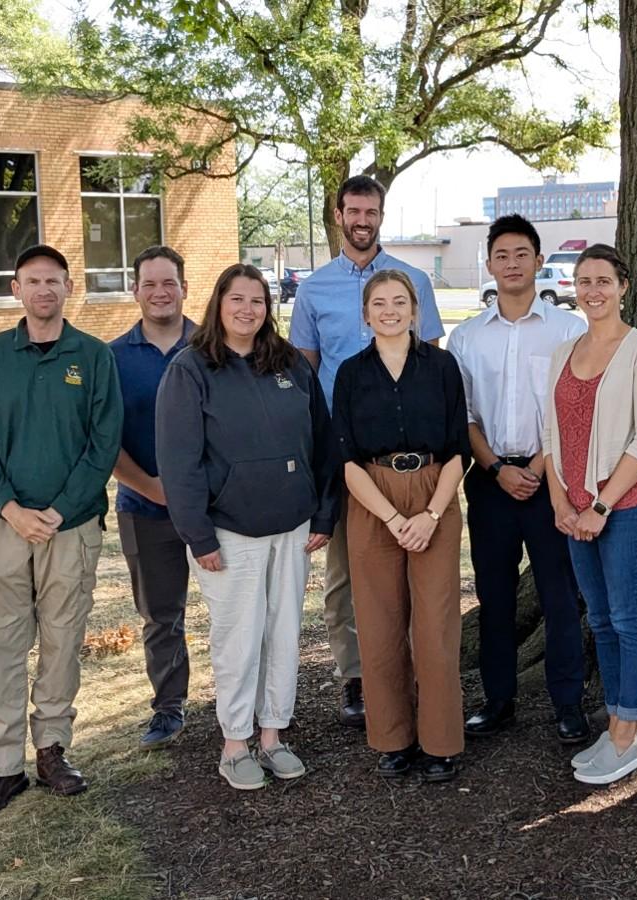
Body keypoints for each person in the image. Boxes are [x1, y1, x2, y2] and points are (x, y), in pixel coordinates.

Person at [0, 244, 124, 821]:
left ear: (68, 288)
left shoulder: (94, 357)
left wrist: (60, 509)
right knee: (0, 645)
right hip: (5, 528)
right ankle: (2, 768)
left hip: (71, 528)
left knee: (61, 642)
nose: (44, 291)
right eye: (33, 281)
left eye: (54, 281)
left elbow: (103, 445)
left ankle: (53, 750)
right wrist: (9, 508)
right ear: (16, 289)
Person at [155, 263, 337, 790]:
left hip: (293, 528)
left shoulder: (289, 366)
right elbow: (179, 460)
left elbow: (322, 443)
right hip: (229, 533)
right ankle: (236, 743)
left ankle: (273, 735)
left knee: (283, 634)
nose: (247, 309)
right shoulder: (191, 369)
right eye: (237, 299)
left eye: (257, 300)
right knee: (239, 638)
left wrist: (324, 513)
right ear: (219, 303)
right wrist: (198, 535)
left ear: (267, 307)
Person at [289, 174, 446, 728]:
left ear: (381, 215)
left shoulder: (414, 282)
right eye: (353, 211)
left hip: (408, 458)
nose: (362, 220)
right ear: (338, 215)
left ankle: (408, 676)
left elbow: (431, 372)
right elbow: (305, 374)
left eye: (371, 211)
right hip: (343, 458)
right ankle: (356, 678)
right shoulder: (313, 291)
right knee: (346, 576)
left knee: (412, 574)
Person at [446, 215, 590, 745]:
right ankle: (499, 699)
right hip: (490, 482)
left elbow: (572, 413)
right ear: (489, 263)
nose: (511, 263)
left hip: (551, 481)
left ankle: (568, 702)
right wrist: (498, 470)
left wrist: (535, 469)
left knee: (559, 594)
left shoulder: (568, 330)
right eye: (502, 255)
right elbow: (463, 418)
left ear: (538, 260)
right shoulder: (466, 339)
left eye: (521, 253)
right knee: (495, 596)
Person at [333, 269, 468, 783]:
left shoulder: (442, 367)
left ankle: (440, 742)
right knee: (379, 624)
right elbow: (345, 458)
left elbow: (458, 448)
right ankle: (393, 738)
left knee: (434, 627)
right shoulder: (350, 374)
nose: (389, 310)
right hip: (372, 498)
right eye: (379, 303)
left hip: (435, 493)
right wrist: (391, 518)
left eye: (400, 302)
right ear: (365, 314)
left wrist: (430, 515)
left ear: (415, 311)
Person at [541, 244, 637, 786]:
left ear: (623, 287)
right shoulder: (563, 352)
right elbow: (550, 434)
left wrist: (599, 505)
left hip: (629, 509)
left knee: (629, 618)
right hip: (573, 511)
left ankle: (628, 729)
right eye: (584, 280)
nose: (593, 290)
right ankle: (618, 719)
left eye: (603, 281)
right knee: (598, 619)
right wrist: (560, 501)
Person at [109, 246, 197, 751]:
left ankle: (245, 701)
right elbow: (106, 441)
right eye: (150, 284)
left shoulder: (212, 347)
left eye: (169, 283)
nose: (160, 293)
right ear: (135, 290)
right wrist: (152, 487)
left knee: (236, 609)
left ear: (184, 287)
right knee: (161, 615)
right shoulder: (114, 357)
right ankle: (168, 708)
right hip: (144, 507)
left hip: (212, 509)